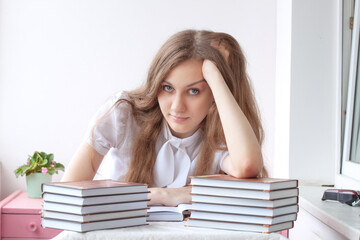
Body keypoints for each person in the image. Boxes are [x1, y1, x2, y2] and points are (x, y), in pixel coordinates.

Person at [61, 29, 267, 207]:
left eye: (194, 91)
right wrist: (160, 196)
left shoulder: (220, 134)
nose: (177, 106)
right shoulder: (123, 115)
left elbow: (246, 164)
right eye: (167, 88)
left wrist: (215, 76)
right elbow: (66, 194)